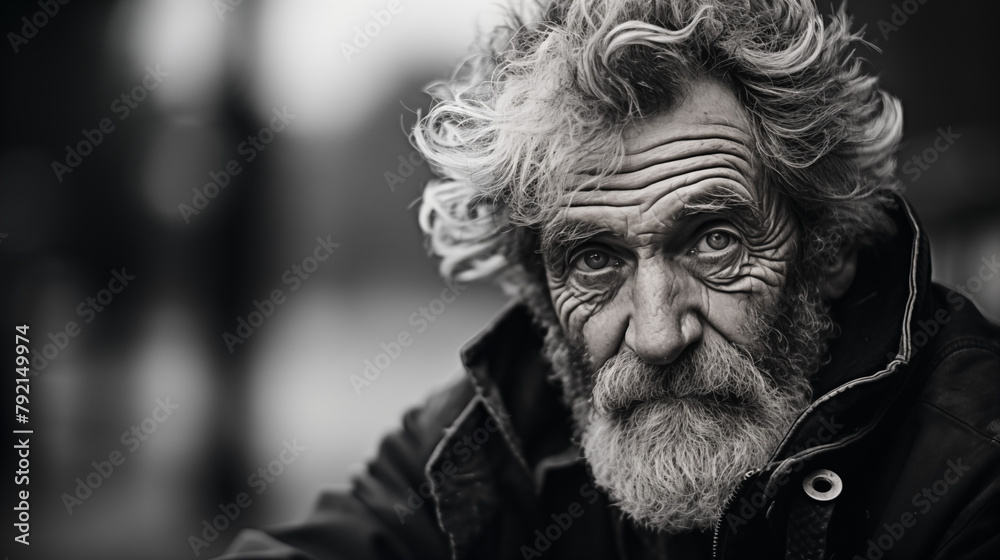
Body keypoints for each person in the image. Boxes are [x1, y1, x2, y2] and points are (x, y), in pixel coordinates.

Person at [220, 1, 1000, 558]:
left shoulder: (970, 474)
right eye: (594, 259)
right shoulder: (495, 438)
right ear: (537, 289)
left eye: (716, 240)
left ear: (828, 249)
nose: (657, 333)